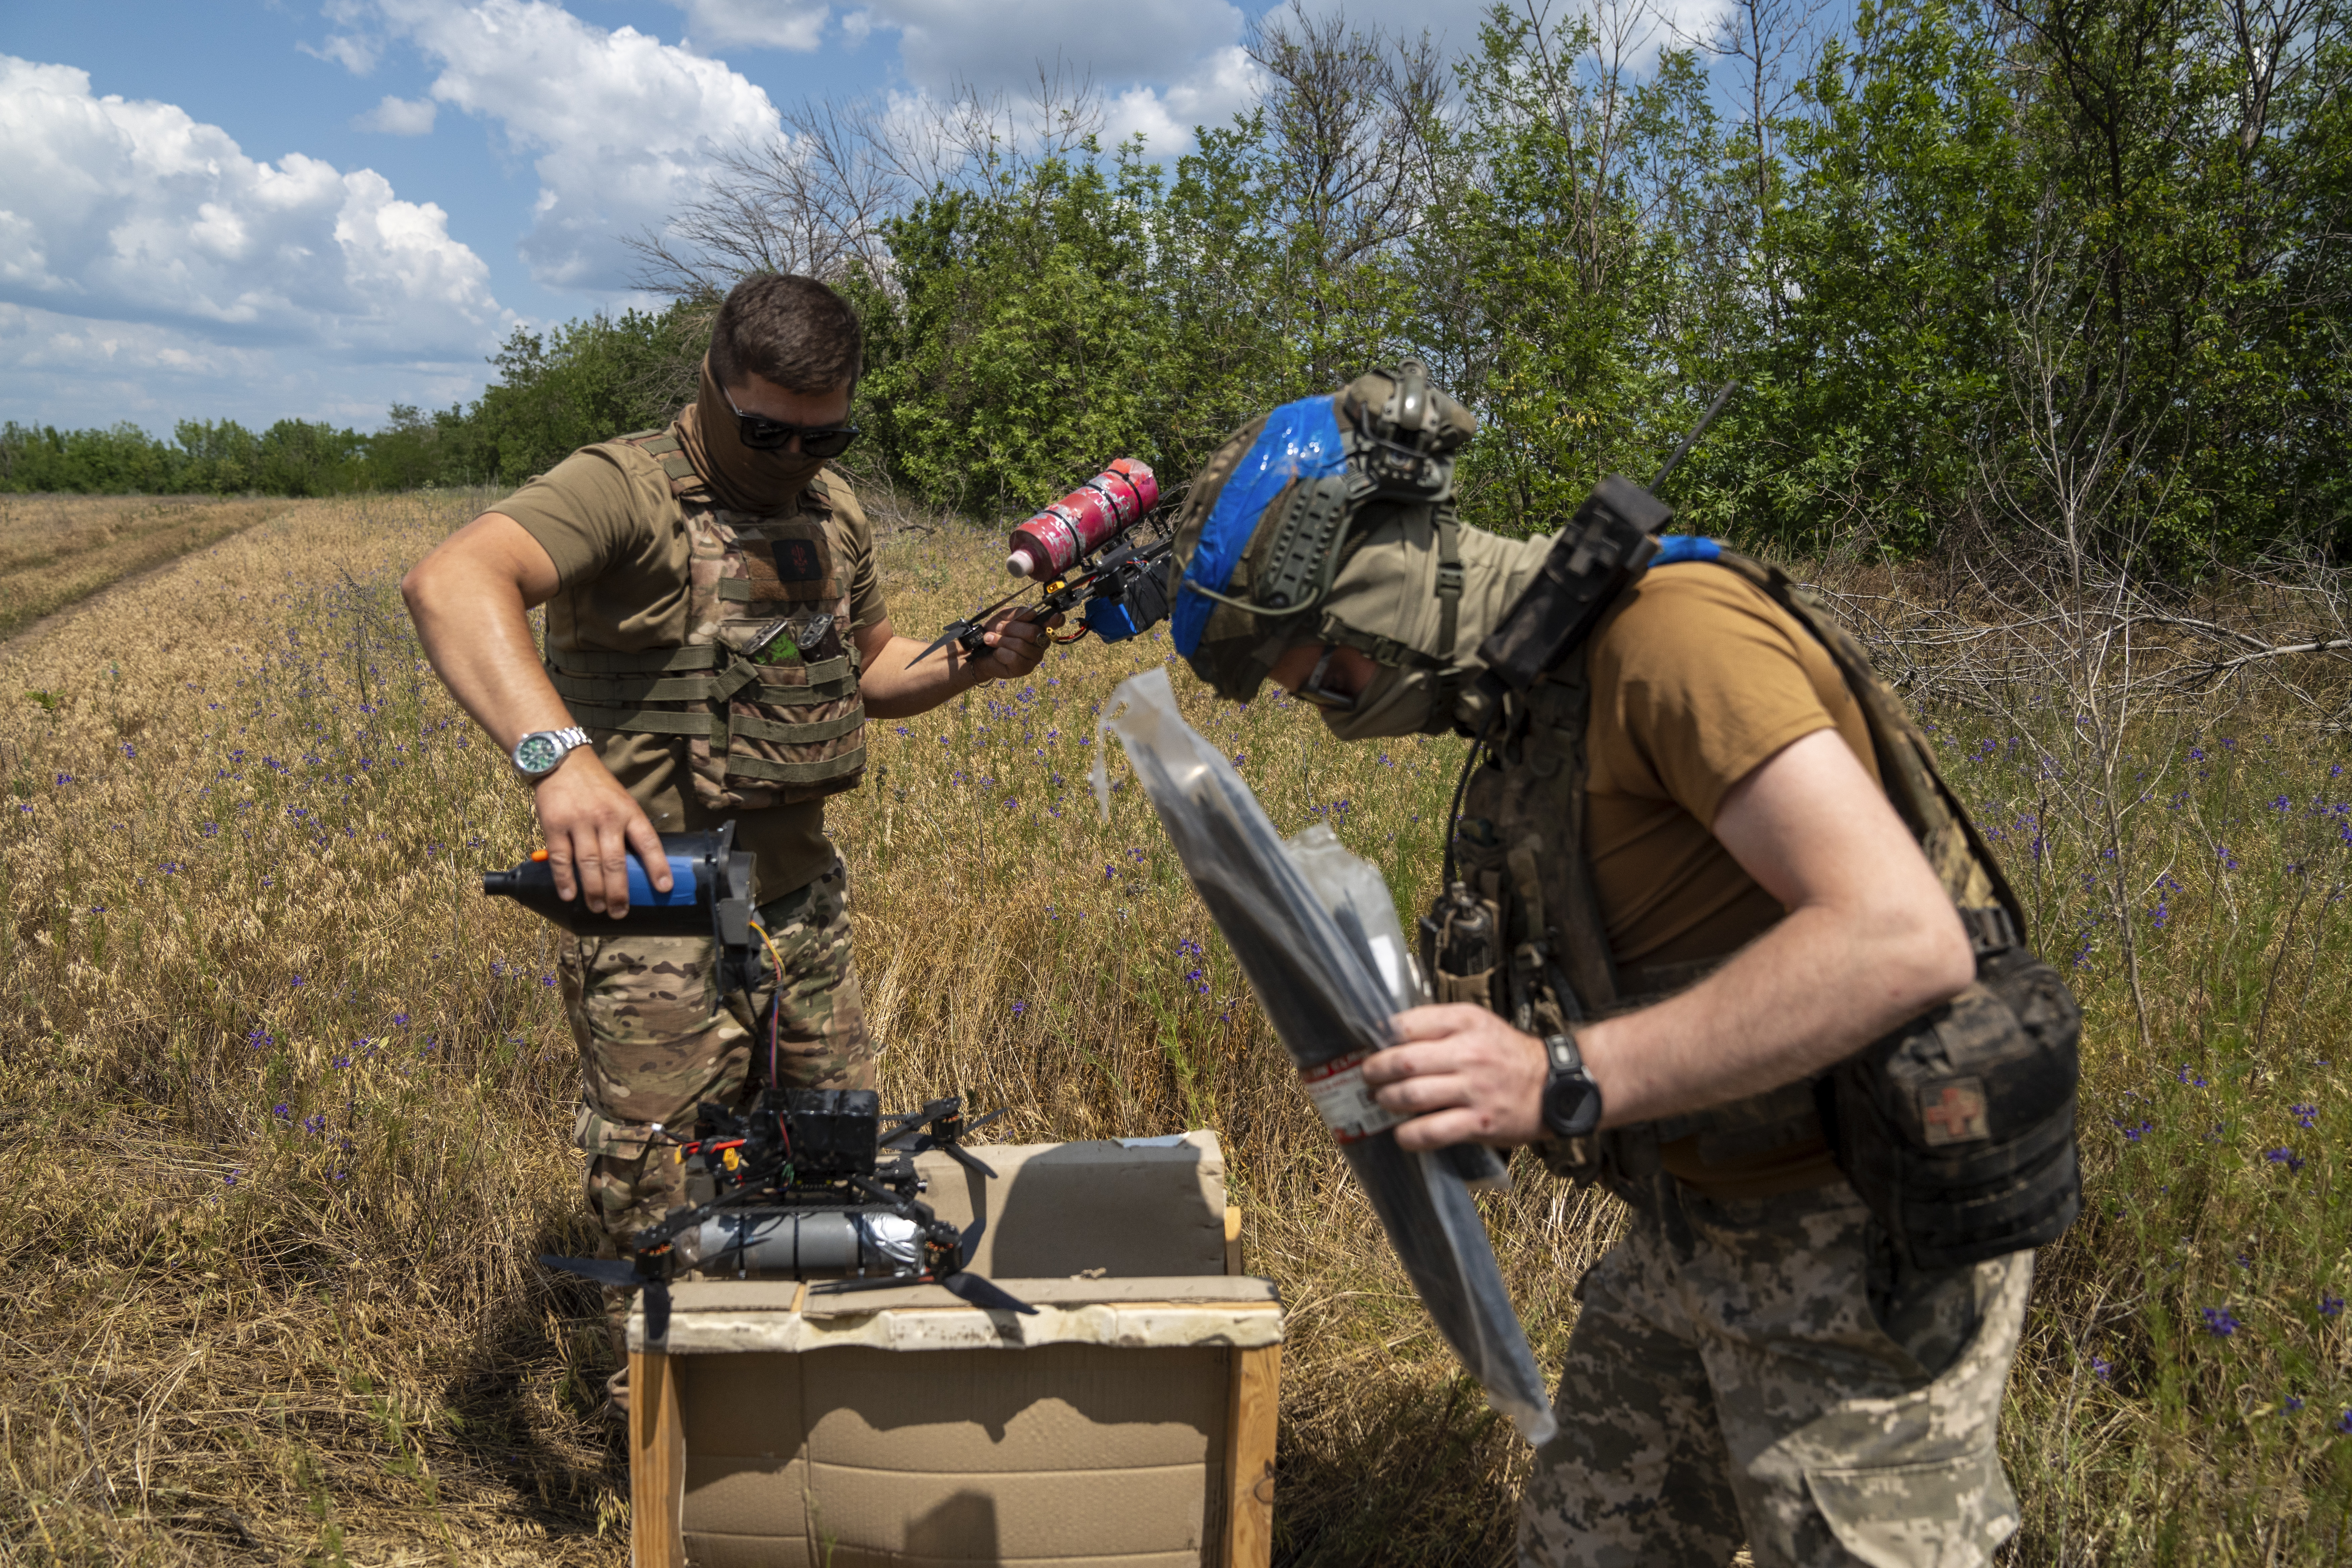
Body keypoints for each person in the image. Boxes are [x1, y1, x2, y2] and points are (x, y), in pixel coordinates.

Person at [1164, 363, 2074, 1565]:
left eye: (1328, 675)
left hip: (1849, 1241)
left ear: (1379, 584)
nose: (1339, 714)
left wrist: (1563, 1075)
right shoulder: (1536, 705)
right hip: (1691, 1218)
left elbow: (1897, 935)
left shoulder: (1672, 638)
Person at [400, 273, 1050, 1410]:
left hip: (800, 910)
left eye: (826, 433)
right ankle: (676, 1461)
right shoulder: (625, 488)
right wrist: (560, 761)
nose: (797, 455)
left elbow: (874, 668)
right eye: (769, 431)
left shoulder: (833, 509)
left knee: (831, 1176)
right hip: (658, 909)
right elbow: (452, 581)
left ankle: (818, 1436)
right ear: (711, 382)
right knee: (669, 1204)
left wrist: (975, 661)